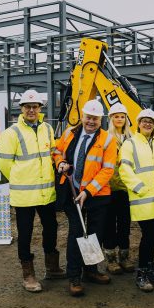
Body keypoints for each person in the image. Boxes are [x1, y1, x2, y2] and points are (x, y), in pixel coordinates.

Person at [0, 89, 65, 293]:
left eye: (35, 106)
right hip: (24, 194)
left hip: (46, 193)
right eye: (27, 107)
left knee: (51, 228)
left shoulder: (47, 129)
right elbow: (4, 164)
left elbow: (53, 152)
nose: (31, 110)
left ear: (40, 109)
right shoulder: (11, 133)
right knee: (25, 234)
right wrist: (21, 179)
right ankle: (28, 274)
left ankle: (51, 266)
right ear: (21, 109)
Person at [53, 99, 117, 297]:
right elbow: (56, 151)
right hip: (72, 192)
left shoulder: (107, 139)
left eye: (95, 118)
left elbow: (108, 170)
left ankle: (91, 270)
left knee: (95, 234)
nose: (91, 121)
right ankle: (74, 276)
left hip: (96, 195)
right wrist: (61, 162)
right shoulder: (69, 133)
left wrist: (88, 191)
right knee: (77, 234)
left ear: (100, 120)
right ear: (82, 116)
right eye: (89, 117)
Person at [119, 109, 154, 292]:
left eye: (150, 121)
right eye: (144, 121)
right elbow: (124, 170)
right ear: (138, 123)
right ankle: (142, 273)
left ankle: (150, 269)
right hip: (144, 199)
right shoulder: (130, 144)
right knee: (148, 236)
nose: (147, 124)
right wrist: (140, 188)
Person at [103, 102, 134, 275]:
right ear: (111, 119)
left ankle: (124, 256)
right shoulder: (105, 137)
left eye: (122, 116)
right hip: (108, 187)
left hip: (125, 188)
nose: (119, 119)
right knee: (109, 224)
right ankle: (110, 258)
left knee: (124, 223)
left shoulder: (132, 137)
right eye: (116, 116)